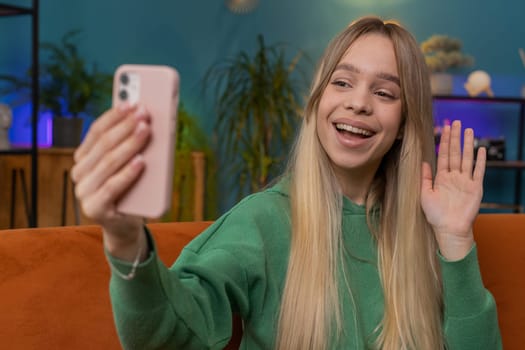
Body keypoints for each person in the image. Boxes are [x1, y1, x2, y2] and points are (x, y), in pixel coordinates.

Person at [71, 16, 501, 350]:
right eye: (342, 82)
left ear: (405, 123)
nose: (358, 102)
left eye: (385, 93)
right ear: (317, 102)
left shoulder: (426, 227)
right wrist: (125, 241)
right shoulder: (261, 222)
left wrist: (455, 239)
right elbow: (170, 336)